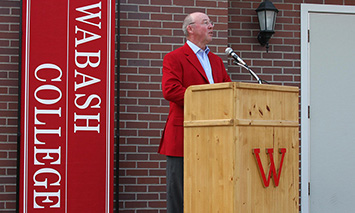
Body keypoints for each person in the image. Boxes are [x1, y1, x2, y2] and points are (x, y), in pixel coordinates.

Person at [158, 12, 232, 213]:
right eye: (206, 22)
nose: (211, 26)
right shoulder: (174, 57)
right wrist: (206, 101)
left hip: (214, 138)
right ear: (190, 28)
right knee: (180, 194)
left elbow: (228, 90)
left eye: (211, 22)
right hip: (183, 136)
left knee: (208, 190)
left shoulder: (216, 60)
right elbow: (171, 90)